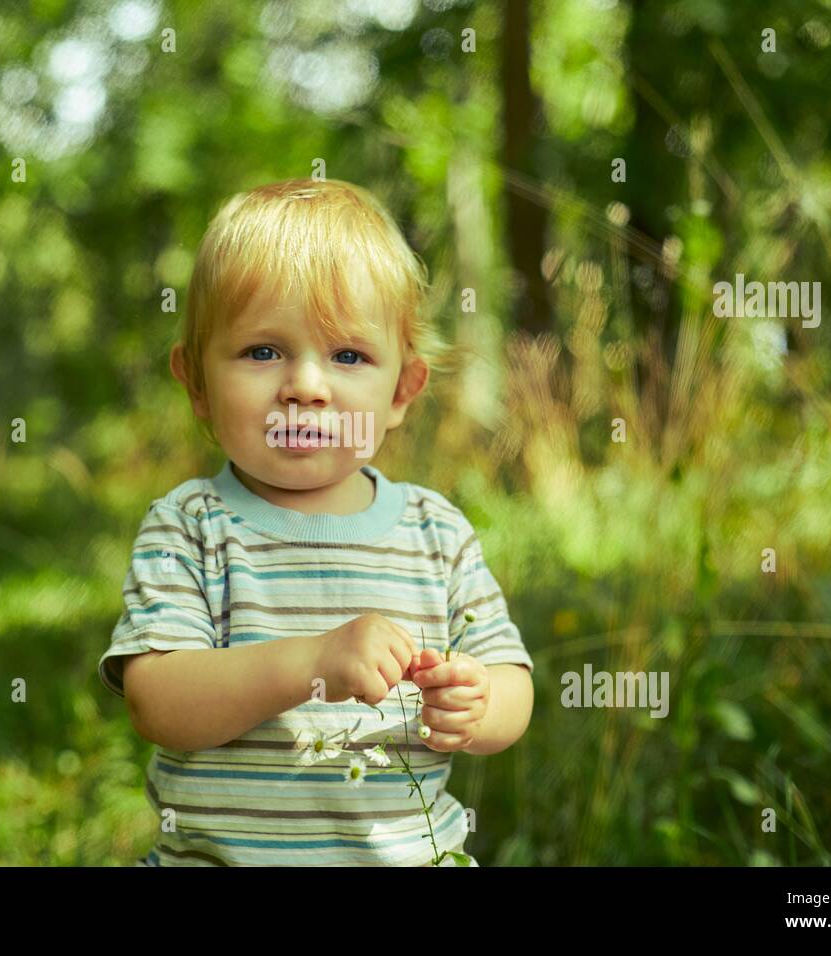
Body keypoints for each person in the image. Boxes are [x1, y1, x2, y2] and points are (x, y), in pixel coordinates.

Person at [101, 178, 533, 866]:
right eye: (263, 351)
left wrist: (479, 703)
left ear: (400, 392)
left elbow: (511, 679)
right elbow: (158, 702)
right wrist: (310, 663)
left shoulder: (435, 533)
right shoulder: (191, 527)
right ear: (197, 384)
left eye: (349, 356)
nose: (306, 385)